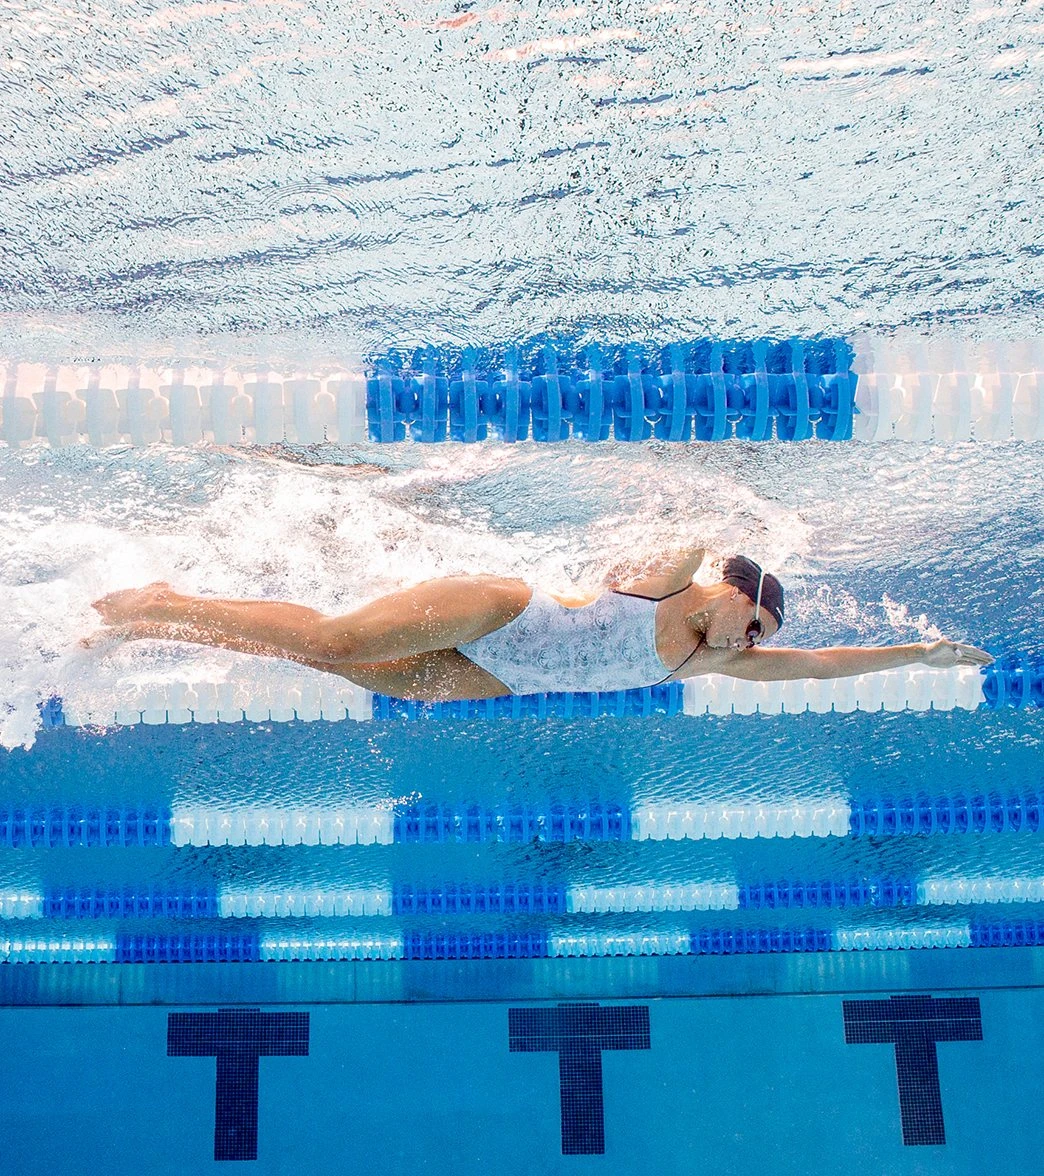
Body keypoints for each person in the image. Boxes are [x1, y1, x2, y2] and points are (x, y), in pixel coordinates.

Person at [86, 549, 993, 700]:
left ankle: (165, 622)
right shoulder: (669, 581)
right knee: (333, 639)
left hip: (497, 676)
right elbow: (677, 498)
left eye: (759, 640)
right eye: (755, 625)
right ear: (731, 590)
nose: (752, 644)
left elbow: (822, 664)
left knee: (331, 666)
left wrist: (918, 654)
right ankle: (158, 602)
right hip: (501, 609)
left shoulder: (708, 666)